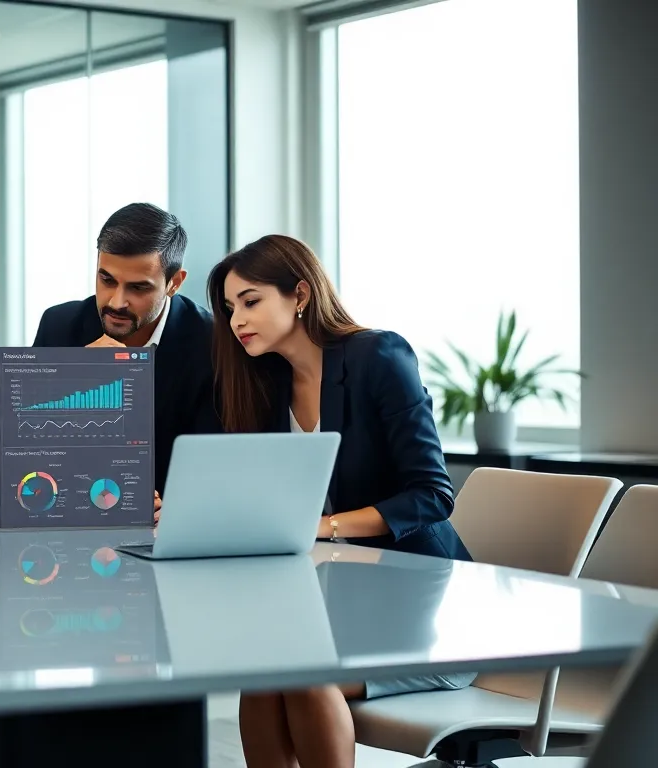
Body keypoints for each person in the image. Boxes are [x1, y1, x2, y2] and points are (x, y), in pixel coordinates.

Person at [207, 233, 473, 768]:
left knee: (298, 673)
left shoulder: (379, 356)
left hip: (430, 615)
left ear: (300, 294)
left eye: (251, 301)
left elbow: (433, 495)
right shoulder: (266, 385)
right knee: (264, 673)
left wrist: (324, 525)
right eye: (231, 307)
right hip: (343, 607)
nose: (237, 320)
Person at [32, 202, 218, 497]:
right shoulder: (59, 327)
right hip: (75, 515)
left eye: (138, 288)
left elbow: (213, 464)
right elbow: (26, 450)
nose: (117, 302)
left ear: (174, 283)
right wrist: (73, 379)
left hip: (169, 524)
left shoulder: (213, 344)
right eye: (106, 280)